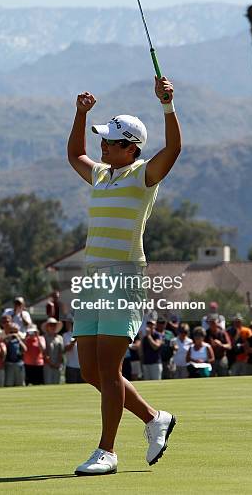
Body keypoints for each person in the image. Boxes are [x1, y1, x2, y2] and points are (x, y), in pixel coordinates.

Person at [68, 76, 180, 475]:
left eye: (111, 142)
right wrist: (81, 115)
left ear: (131, 148)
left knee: (109, 368)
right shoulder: (100, 174)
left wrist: (167, 106)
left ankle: (107, 452)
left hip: (123, 278)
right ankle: (154, 418)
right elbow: (75, 154)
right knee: (90, 370)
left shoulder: (143, 176)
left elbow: (173, 149)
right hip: (92, 279)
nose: (103, 146)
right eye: (104, 140)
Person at [42, 318, 64, 384]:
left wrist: (58, 363)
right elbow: (44, 352)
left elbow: (61, 352)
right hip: (48, 366)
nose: (53, 327)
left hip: (58, 365)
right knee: (48, 383)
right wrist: (51, 364)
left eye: (54, 325)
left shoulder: (60, 338)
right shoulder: (44, 337)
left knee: (58, 383)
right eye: (51, 325)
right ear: (47, 327)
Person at [63, 318, 84, 384]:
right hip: (71, 367)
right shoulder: (66, 335)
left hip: (82, 367)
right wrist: (75, 340)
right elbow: (67, 349)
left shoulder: (83, 334)